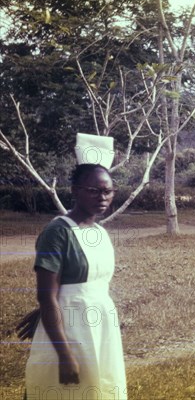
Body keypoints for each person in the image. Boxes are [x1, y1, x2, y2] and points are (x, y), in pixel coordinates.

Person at [25, 134, 127, 399]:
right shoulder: (57, 232)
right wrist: (64, 354)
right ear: (75, 191)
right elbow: (47, 296)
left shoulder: (99, 232)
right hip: (70, 332)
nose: (102, 197)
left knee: (100, 388)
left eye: (108, 191)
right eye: (93, 190)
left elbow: (92, 288)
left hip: (100, 326)